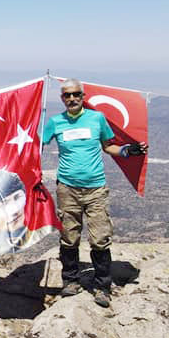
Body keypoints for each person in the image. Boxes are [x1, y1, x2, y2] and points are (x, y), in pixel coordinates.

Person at [42, 78, 147, 307]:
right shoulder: (56, 122)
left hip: (96, 188)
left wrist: (128, 150)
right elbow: (36, 144)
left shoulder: (97, 118)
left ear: (83, 96)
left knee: (100, 238)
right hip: (67, 188)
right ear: (62, 98)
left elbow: (108, 146)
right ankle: (70, 281)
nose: (72, 98)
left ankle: (102, 287)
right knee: (69, 237)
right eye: (67, 95)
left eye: (76, 94)